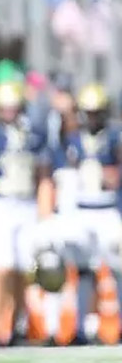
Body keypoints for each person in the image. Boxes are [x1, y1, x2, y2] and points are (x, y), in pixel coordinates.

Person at [0, 81, 53, 346]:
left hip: (25, 204)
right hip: (0, 205)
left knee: (23, 270)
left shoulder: (34, 135)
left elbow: (43, 177)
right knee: (2, 269)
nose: (9, 112)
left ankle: (17, 325)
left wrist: (44, 214)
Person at [50, 84, 121, 344]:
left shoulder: (114, 137)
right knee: (82, 270)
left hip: (107, 208)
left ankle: (117, 326)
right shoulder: (73, 138)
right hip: (81, 210)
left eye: (96, 113)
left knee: (118, 267)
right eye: (88, 112)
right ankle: (82, 328)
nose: (91, 118)